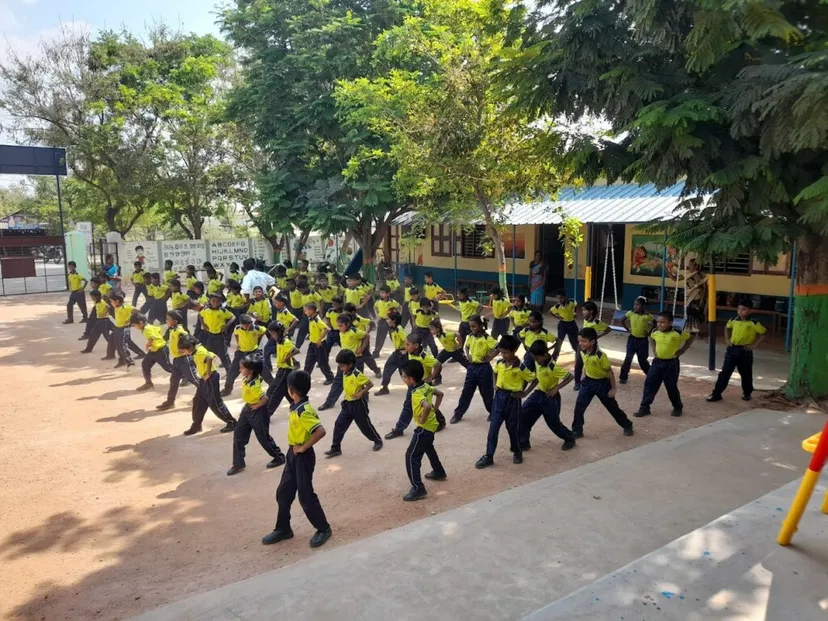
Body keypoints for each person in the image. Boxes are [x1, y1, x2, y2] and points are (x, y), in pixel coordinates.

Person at [261, 370, 332, 549]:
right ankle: (283, 528)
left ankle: (323, 528)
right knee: (283, 493)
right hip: (293, 454)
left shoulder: (303, 411)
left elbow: (320, 431)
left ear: (291, 390)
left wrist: (303, 447)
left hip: (303, 456)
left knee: (306, 495)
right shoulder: (296, 406)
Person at [475, 335, 534, 469]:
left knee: (512, 428)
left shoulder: (520, 367)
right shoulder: (499, 363)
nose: (503, 354)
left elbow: (533, 379)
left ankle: (517, 451)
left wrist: (524, 393)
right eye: (501, 352)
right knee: (493, 428)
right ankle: (489, 456)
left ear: (514, 351)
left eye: (506, 352)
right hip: (499, 398)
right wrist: (495, 384)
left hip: (513, 400)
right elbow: (494, 372)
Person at [227, 353, 287, 476]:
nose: (240, 370)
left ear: (251, 371)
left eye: (242, 368)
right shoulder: (248, 378)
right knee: (239, 434)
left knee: (263, 437)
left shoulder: (254, 386)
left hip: (258, 411)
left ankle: (279, 457)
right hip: (247, 409)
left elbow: (265, 398)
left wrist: (256, 406)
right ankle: (238, 463)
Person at [572, 327, 634, 438]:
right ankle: (577, 430)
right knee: (579, 406)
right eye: (579, 341)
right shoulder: (582, 351)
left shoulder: (601, 356)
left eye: (584, 341)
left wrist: (613, 388)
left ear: (593, 342)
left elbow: (609, 373)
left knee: (612, 407)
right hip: (588, 382)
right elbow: (586, 365)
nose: (580, 343)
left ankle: (627, 425)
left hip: (602, 384)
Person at [400, 360, 447, 501]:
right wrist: (436, 409)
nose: (403, 379)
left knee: (411, 456)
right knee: (428, 447)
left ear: (411, 379)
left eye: (404, 377)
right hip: (432, 426)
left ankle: (418, 488)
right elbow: (440, 394)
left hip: (424, 428)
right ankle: (439, 471)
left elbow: (426, 406)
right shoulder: (426, 386)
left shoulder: (415, 393)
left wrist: (422, 419)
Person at [384, 332, 445, 439]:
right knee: (411, 406)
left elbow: (438, 364)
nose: (405, 346)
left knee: (419, 405)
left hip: (422, 385)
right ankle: (399, 429)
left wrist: (431, 377)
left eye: (408, 345)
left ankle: (400, 429)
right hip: (413, 384)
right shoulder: (409, 353)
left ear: (416, 346)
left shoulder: (424, 356)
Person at [324, 350, 383, 457]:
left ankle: (377, 440)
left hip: (358, 405)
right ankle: (335, 448)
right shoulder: (344, 373)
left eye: (342, 366)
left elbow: (370, 384)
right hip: (347, 405)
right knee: (339, 425)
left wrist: (361, 392)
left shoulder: (357, 374)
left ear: (350, 364)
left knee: (365, 426)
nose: (340, 368)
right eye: (339, 365)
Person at [635, 310, 693, 418]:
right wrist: (653, 349)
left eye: (663, 322)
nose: (659, 324)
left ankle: (677, 407)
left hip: (671, 363)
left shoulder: (677, 333)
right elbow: (651, 338)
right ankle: (644, 407)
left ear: (670, 323)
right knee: (650, 384)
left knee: (671, 386)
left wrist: (683, 350)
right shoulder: (655, 332)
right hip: (657, 362)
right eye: (658, 322)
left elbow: (690, 337)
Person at [519, 341, 576, 451]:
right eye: (534, 358)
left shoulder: (553, 366)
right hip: (538, 393)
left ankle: (569, 438)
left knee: (553, 423)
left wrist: (556, 388)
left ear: (545, 355)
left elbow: (569, 377)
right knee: (523, 415)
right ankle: (524, 442)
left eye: (537, 358)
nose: (535, 361)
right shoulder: (537, 361)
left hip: (550, 397)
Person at [707, 299, 767, 403]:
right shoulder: (733, 320)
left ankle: (747, 393)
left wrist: (753, 345)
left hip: (745, 351)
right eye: (739, 309)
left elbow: (763, 333)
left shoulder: (754, 322)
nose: (740, 311)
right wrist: (727, 339)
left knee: (746, 373)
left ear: (750, 311)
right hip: (732, 349)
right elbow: (727, 327)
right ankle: (716, 393)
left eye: (744, 309)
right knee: (725, 373)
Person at [179, 334, 237, 436]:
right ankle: (196, 425)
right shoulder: (198, 349)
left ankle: (231, 422)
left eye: (184, 350)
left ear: (191, 347)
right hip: (204, 379)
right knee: (198, 401)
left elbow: (209, 358)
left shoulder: (200, 352)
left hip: (210, 379)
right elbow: (213, 355)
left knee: (215, 403)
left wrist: (208, 373)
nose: (184, 352)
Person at [451, 315, 497, 424]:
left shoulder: (487, 338)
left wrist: (490, 357)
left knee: (487, 393)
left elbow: (498, 347)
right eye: (471, 327)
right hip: (472, 368)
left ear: (481, 326)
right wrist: (468, 355)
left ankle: (493, 412)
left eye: (474, 326)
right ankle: (458, 414)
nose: (472, 329)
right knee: (466, 392)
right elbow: (466, 346)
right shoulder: (470, 336)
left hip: (484, 368)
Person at [318, 315, 370, 411]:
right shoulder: (341, 333)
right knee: (338, 382)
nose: (339, 328)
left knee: (358, 381)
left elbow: (367, 336)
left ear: (348, 324)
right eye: (338, 326)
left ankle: (364, 398)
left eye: (341, 326)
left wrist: (362, 348)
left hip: (355, 360)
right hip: (343, 360)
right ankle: (329, 402)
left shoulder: (355, 332)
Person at [156, 311, 193, 411]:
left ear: (175, 321)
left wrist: (186, 350)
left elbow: (190, 343)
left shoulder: (180, 332)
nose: (166, 320)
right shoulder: (172, 330)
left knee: (194, 380)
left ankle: (207, 397)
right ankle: (170, 402)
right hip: (177, 360)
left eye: (168, 319)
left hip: (184, 360)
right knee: (173, 381)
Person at [222, 314, 267, 395]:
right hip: (241, 352)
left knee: (261, 370)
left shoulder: (256, 328)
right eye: (244, 325)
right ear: (240, 324)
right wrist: (238, 343)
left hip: (253, 352)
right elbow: (236, 334)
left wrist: (258, 338)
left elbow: (264, 330)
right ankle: (227, 389)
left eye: (248, 325)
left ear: (250, 323)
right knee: (232, 371)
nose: (246, 327)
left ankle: (266, 387)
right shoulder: (237, 328)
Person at [131, 313, 173, 392]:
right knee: (145, 364)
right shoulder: (148, 326)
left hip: (161, 350)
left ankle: (184, 375)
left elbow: (151, 338)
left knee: (168, 367)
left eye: (135, 325)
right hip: (153, 350)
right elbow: (158, 329)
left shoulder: (147, 329)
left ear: (140, 323)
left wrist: (147, 345)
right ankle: (148, 383)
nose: (135, 327)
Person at [573, 301, 610, 390]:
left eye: (585, 310)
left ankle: (594, 379)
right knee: (578, 363)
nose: (583, 312)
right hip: (581, 345)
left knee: (591, 363)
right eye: (582, 310)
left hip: (591, 346)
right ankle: (577, 383)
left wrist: (597, 336)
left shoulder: (596, 322)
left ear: (591, 311)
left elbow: (608, 329)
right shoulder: (585, 319)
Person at [619, 296, 654, 384]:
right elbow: (622, 320)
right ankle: (623, 377)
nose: (635, 306)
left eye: (637, 305)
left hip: (642, 340)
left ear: (643, 306)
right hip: (632, 339)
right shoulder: (630, 313)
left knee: (642, 360)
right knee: (628, 358)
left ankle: (652, 376)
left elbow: (655, 322)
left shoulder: (647, 316)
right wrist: (627, 329)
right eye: (634, 304)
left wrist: (649, 333)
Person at [199, 293, 235, 371]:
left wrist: (226, 326)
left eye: (217, 301)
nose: (215, 303)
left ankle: (229, 372)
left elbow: (233, 317)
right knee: (209, 353)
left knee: (223, 355)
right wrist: (203, 325)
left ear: (220, 302)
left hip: (220, 336)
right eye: (213, 301)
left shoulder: (223, 311)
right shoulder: (206, 310)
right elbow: (200, 315)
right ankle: (210, 371)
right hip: (209, 334)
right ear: (210, 301)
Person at [376, 311, 409, 396]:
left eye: (388, 319)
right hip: (396, 353)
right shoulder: (392, 329)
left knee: (405, 373)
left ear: (393, 320)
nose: (387, 320)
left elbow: (408, 340)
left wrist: (405, 350)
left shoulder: (399, 329)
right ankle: (384, 388)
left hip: (403, 355)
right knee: (387, 368)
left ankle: (413, 388)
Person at [302, 302, 334, 383]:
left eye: (306, 310)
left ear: (311, 310)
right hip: (312, 344)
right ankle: (304, 378)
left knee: (322, 363)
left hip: (320, 345)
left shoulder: (317, 319)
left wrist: (320, 339)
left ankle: (330, 378)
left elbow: (327, 328)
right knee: (308, 362)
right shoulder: (310, 319)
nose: (305, 312)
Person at [430, 319, 469, 383]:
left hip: (455, 351)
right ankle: (438, 379)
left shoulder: (446, 334)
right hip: (446, 351)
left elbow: (458, 334)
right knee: (436, 363)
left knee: (467, 364)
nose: (430, 331)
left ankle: (476, 376)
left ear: (438, 328)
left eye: (432, 329)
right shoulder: (438, 334)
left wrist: (460, 345)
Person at [372, 285, 401, 358]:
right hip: (382, 321)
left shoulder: (392, 301)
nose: (381, 294)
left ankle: (399, 351)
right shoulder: (378, 301)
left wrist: (396, 316)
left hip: (391, 321)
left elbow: (399, 307)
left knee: (394, 337)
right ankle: (376, 352)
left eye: (383, 293)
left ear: (388, 294)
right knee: (379, 338)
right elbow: (375, 307)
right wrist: (378, 315)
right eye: (380, 292)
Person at [550, 290, 578, 359]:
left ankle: (579, 355)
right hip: (562, 325)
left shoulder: (571, 302)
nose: (559, 300)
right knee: (559, 342)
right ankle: (554, 358)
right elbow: (550, 311)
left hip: (572, 324)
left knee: (574, 342)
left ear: (565, 297)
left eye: (561, 298)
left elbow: (575, 306)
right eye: (558, 298)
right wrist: (557, 316)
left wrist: (574, 313)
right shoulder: (557, 306)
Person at [81, 290, 110, 354]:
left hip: (103, 320)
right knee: (93, 335)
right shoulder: (96, 302)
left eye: (92, 297)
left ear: (96, 296)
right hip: (99, 320)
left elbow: (108, 307)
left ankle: (115, 346)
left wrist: (104, 313)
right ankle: (88, 349)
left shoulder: (102, 302)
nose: (91, 298)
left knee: (107, 336)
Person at [684, 258, 709, 333]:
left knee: (696, 314)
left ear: (696, 266)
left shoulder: (701, 275)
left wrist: (702, 298)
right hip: (688, 297)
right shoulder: (687, 274)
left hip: (697, 297)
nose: (690, 266)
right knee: (689, 313)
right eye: (689, 264)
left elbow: (704, 288)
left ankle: (697, 331)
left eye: (691, 265)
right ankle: (689, 330)